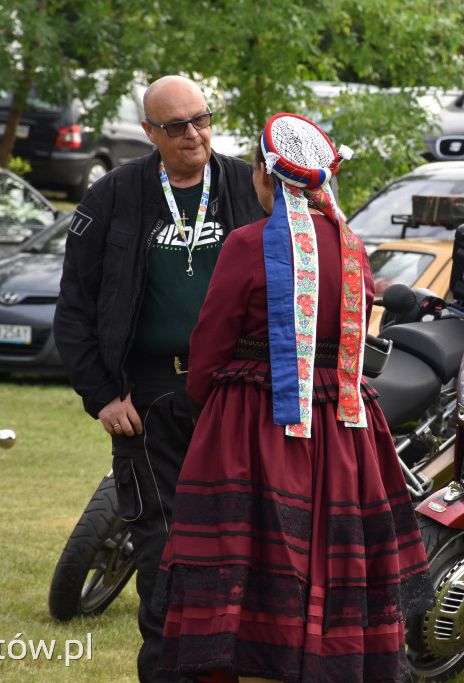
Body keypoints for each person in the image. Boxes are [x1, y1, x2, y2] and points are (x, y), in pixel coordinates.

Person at [152, 113, 433, 682]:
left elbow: (211, 339)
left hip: (258, 421)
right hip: (345, 427)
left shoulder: (248, 242)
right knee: (330, 549)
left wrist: (207, 401)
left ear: (264, 174)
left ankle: (260, 663)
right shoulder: (353, 248)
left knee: (256, 551)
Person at [53, 75, 266, 683]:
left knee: (239, 539)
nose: (194, 134)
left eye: (202, 119)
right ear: (150, 132)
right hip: (147, 398)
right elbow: (75, 306)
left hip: (233, 393)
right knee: (163, 546)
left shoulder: (249, 189)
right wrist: (101, 395)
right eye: (177, 126)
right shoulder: (113, 196)